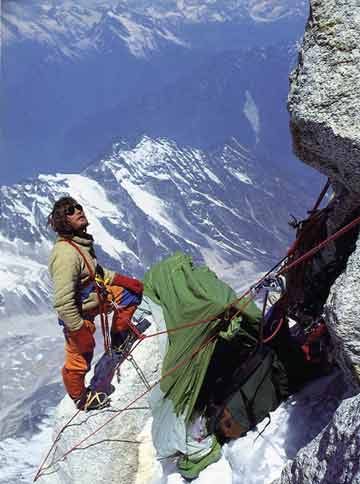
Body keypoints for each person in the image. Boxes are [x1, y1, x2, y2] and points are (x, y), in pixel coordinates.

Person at [48, 196, 144, 411]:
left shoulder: (79, 244)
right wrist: (78, 329)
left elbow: (95, 272)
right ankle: (81, 399)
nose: (78, 211)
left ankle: (120, 339)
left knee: (127, 293)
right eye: (70, 211)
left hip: (94, 298)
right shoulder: (65, 254)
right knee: (80, 356)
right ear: (63, 221)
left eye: (79, 207)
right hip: (78, 312)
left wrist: (122, 281)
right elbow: (63, 302)